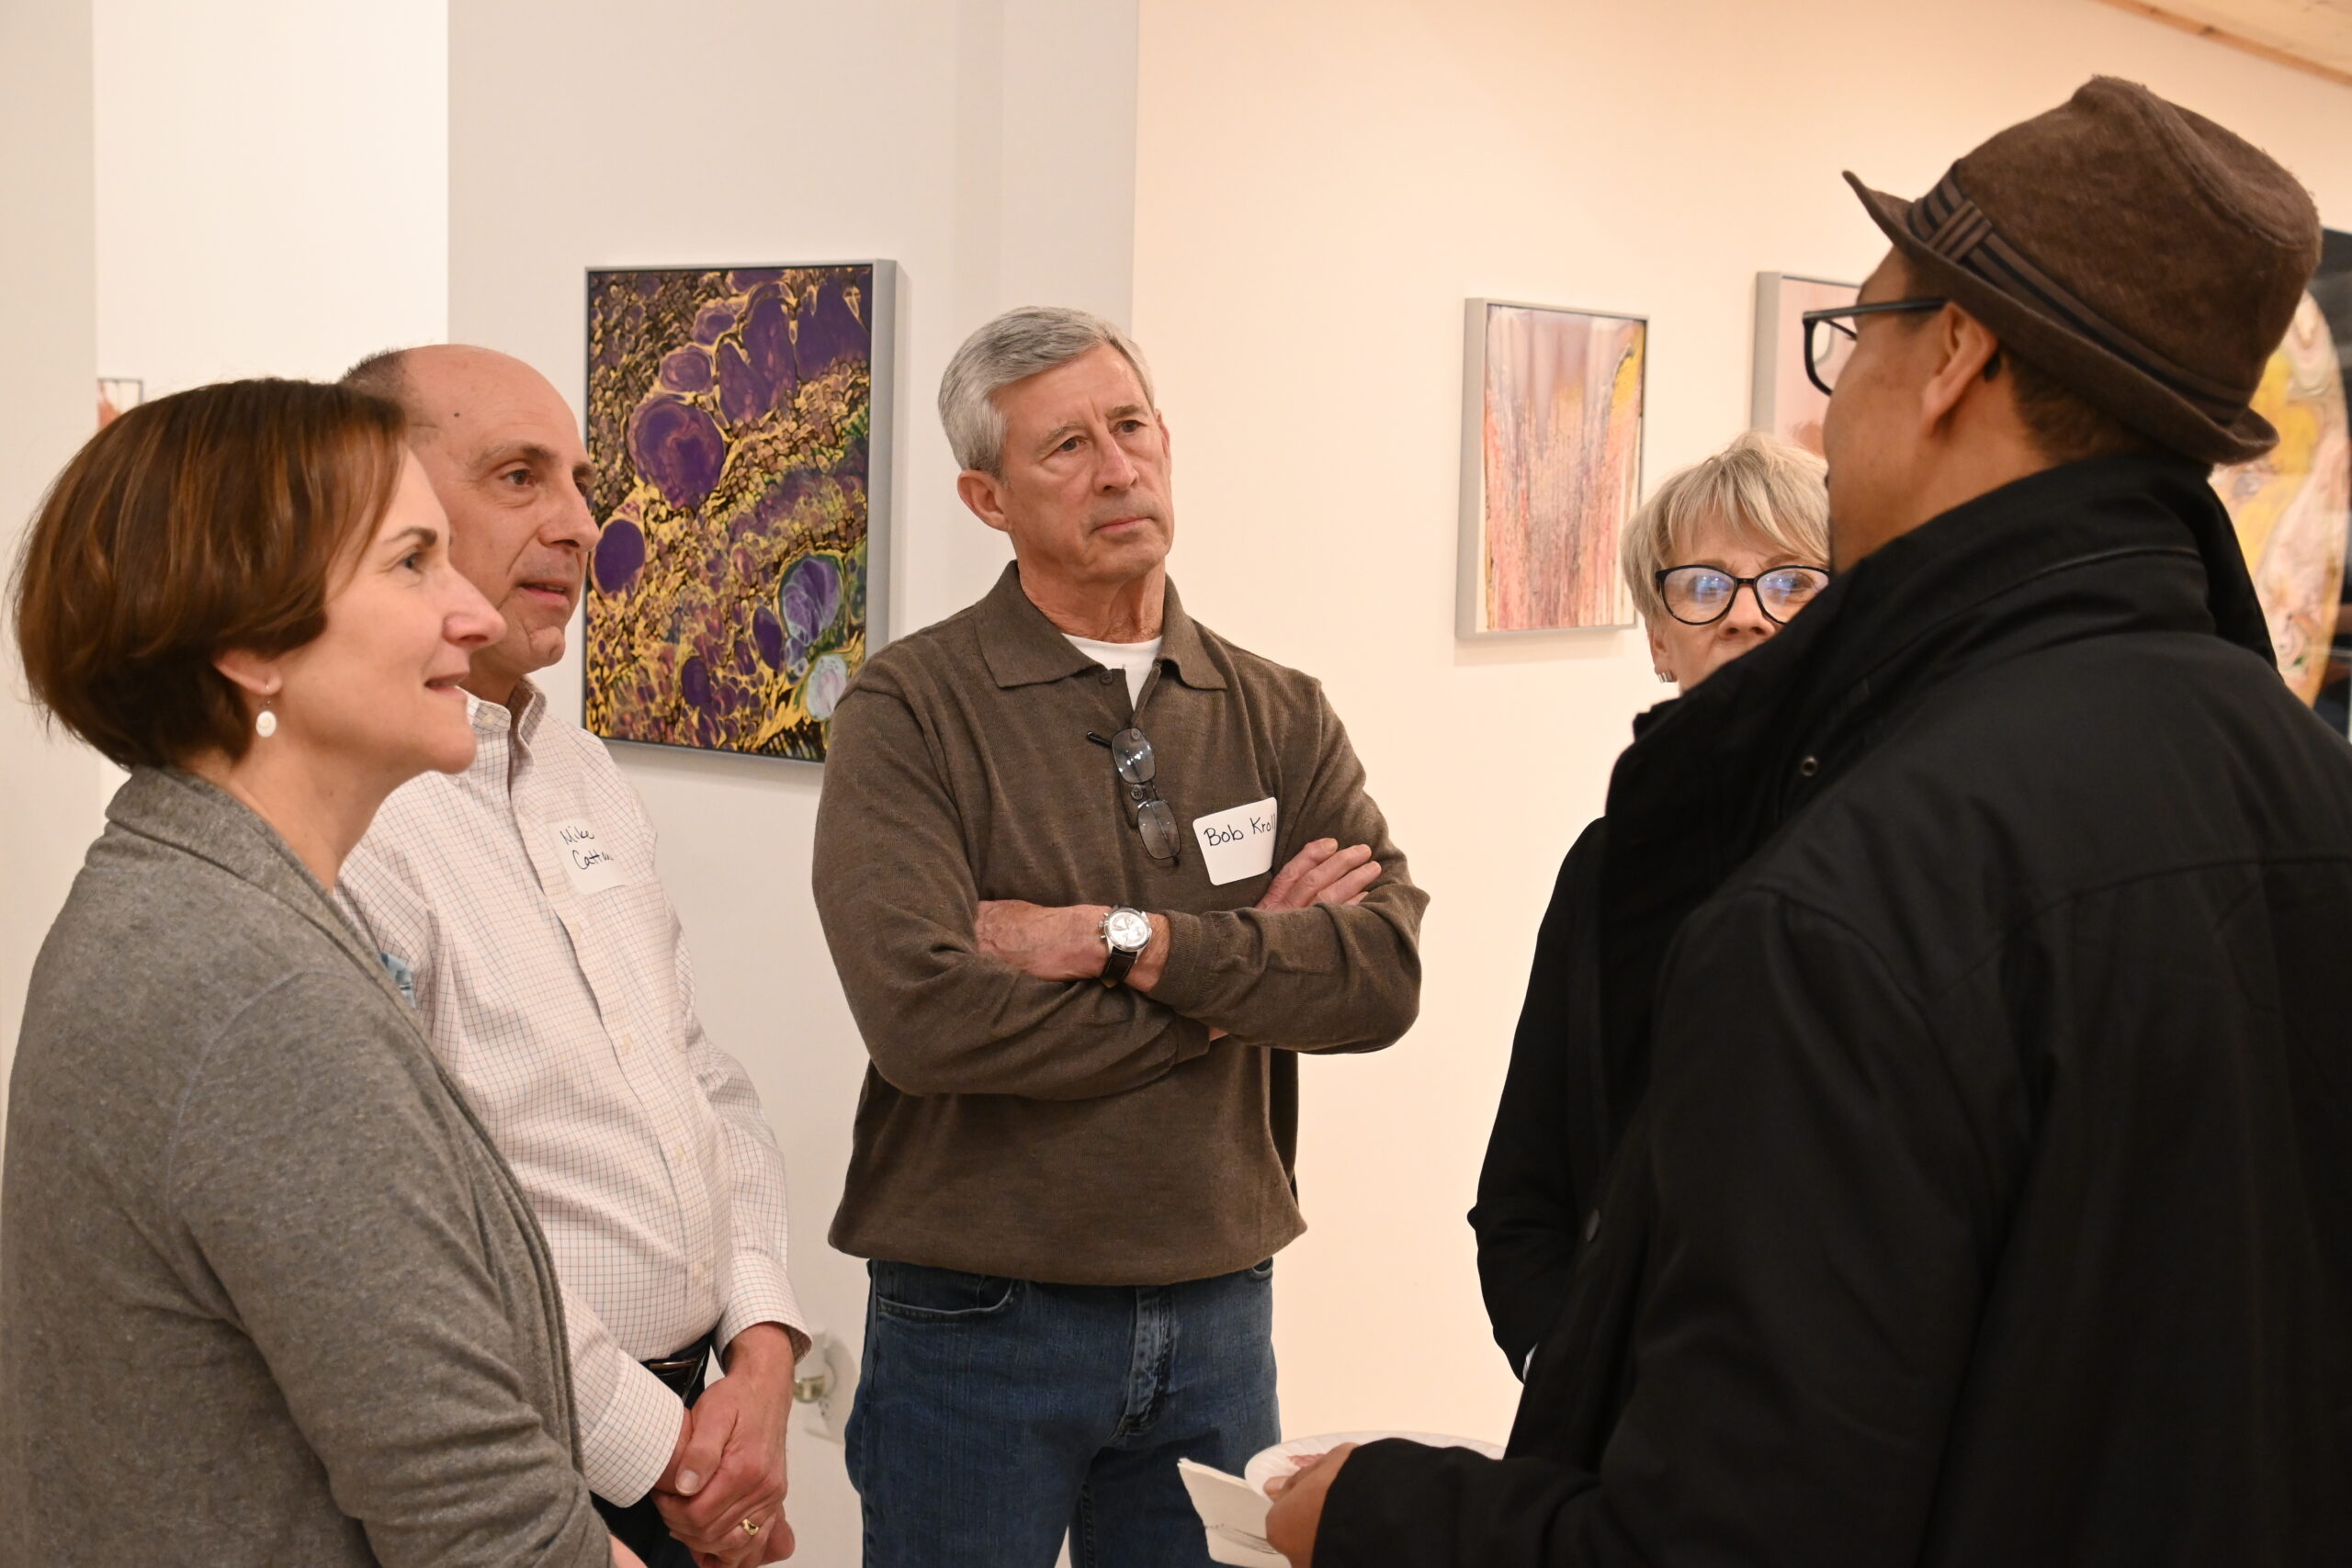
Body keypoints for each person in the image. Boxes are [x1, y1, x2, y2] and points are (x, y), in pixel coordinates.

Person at [1270, 77, 2352, 1566]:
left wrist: (1377, 1513)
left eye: (1855, 338)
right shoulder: (2297, 781)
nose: (1832, 408)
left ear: (1958, 355)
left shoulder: (1867, 881)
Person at [811, 306, 1428, 1567]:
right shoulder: (909, 710)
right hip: (980, 1311)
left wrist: (1125, 936)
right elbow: (925, 1018)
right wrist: (1236, 981)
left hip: (1218, 1302)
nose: (1117, 468)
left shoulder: (1276, 708)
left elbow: (1379, 975)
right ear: (987, 497)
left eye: (1131, 426)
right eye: (1066, 448)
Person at [1, 379, 636, 1567]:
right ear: (251, 642)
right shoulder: (252, 993)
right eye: (411, 563)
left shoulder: (195, 895)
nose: (467, 613)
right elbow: (481, 1522)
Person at [335, 345, 808, 1568]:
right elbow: (410, 1226)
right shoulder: (357, 820)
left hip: (694, 1415)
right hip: (523, 1444)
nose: (582, 525)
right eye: (518, 476)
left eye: (584, 481)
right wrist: (672, 1450)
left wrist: (761, 1341)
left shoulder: (583, 772)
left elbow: (700, 1074)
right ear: (375, 515)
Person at [1470, 431, 1828, 1378]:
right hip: (1620, 1400)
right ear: (1661, 639)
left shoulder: (1896, 860)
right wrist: (1558, 1354)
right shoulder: (1605, 866)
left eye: (1791, 583)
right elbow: (1523, 1184)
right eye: (1703, 586)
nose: (1746, 618)